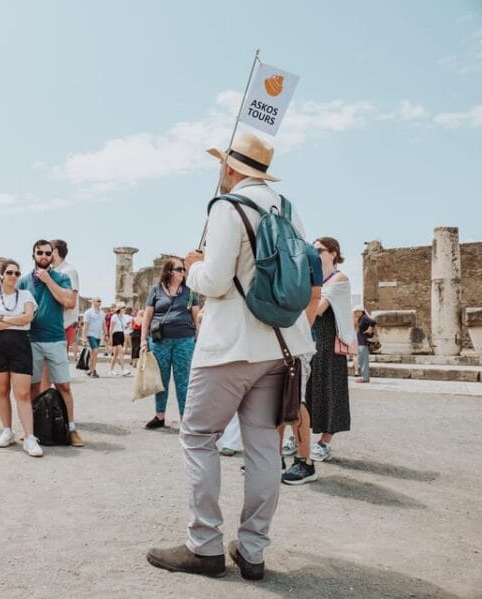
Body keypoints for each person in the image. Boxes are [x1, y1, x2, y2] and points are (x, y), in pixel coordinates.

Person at [147, 132, 315, 580]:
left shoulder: (227, 207)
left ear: (230, 167)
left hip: (231, 345)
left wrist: (193, 266)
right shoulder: (289, 208)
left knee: (198, 435)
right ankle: (253, 550)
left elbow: (216, 281)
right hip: (282, 343)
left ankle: (204, 545)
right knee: (263, 445)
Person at [17, 240, 83, 447]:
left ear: (52, 255)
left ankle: (71, 428)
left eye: (47, 253)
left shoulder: (62, 277)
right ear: (33, 255)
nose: (44, 256)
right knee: (33, 386)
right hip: (32, 339)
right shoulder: (24, 281)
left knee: (64, 386)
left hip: (55, 338)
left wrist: (47, 280)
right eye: (40, 253)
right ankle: (32, 428)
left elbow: (69, 302)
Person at [0, 259, 42, 457]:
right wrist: (15, 320)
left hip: (20, 346)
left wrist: (3, 319)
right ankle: (7, 431)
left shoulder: (25, 295)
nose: (14, 276)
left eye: (17, 273)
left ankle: (29, 437)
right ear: (1, 275)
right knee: (1, 391)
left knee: (22, 394)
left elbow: (28, 318)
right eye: (9, 272)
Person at [280, 241, 324, 484]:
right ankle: (274, 457)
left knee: (296, 399)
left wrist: (300, 331)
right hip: (273, 338)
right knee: (273, 401)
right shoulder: (268, 246)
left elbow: (315, 296)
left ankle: (305, 461)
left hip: (297, 340)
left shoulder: (306, 252)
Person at [306, 236, 353, 463]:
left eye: (319, 251)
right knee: (306, 390)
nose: (315, 255)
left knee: (330, 391)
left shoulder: (339, 279)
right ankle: (299, 437)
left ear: (333, 253)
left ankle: (325, 442)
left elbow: (318, 308)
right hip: (310, 340)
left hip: (329, 342)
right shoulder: (314, 279)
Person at [140, 257, 200, 429]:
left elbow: (196, 317)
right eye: (179, 269)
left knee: (183, 380)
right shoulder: (156, 290)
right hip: (160, 340)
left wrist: (199, 339)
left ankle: (184, 418)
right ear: (169, 271)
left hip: (184, 340)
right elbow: (147, 316)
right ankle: (160, 416)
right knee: (161, 379)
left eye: (184, 269)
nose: (183, 272)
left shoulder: (190, 292)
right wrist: (143, 340)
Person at [51, 239, 80, 360]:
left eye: (47, 251)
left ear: (55, 252)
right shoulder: (54, 271)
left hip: (62, 326)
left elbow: (70, 302)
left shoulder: (68, 271)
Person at [81, 297, 105, 378]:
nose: (100, 302)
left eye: (100, 301)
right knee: (95, 351)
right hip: (90, 334)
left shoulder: (102, 313)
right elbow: (85, 325)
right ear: (93, 302)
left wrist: (106, 335)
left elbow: (104, 324)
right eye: (98, 301)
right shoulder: (88, 312)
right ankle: (93, 370)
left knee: (93, 353)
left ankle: (89, 369)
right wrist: (83, 337)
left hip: (98, 335)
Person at [108, 303, 133, 376]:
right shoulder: (114, 317)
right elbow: (111, 329)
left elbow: (124, 327)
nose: (124, 309)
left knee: (115, 354)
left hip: (121, 334)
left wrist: (128, 325)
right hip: (115, 334)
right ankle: (123, 369)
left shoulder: (124, 317)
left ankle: (111, 370)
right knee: (121, 351)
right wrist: (110, 338)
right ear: (119, 308)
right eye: (123, 307)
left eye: (125, 307)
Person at [354, 306, 376, 383]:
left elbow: (373, 321)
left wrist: (370, 329)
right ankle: (364, 377)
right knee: (362, 360)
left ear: (360, 311)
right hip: (360, 342)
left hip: (363, 342)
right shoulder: (361, 318)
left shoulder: (364, 318)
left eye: (356, 312)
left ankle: (365, 378)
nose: (355, 313)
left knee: (364, 361)